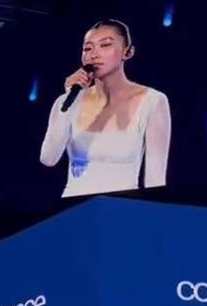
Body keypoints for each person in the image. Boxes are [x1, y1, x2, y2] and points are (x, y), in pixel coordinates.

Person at [40, 19, 171, 197]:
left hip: (122, 206)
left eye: (105, 45)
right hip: (75, 205)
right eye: (88, 48)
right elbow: (48, 158)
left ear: (128, 52)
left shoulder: (153, 101)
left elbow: (155, 179)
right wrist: (70, 100)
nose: (94, 54)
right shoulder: (67, 101)